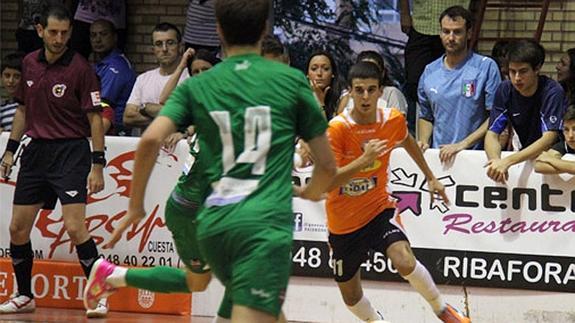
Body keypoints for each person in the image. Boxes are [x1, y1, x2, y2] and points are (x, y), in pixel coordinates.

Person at [84, 1, 337, 323]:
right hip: (262, 225)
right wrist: (314, 191)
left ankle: (114, 276)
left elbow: (149, 139)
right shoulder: (290, 81)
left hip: (213, 222)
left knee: (210, 287)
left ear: (218, 29)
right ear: (264, 30)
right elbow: (327, 166)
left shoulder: (200, 85)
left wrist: (136, 206)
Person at [326, 61, 470, 323]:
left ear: (381, 91)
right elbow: (329, 181)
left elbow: (406, 139)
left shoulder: (391, 119)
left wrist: (431, 177)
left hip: (379, 209)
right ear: (350, 92)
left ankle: (442, 309)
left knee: (404, 259)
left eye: (372, 90)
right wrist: (363, 159)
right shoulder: (338, 128)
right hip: (343, 224)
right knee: (350, 296)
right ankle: (376, 320)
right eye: (359, 90)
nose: (366, 97)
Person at [0, 4, 108, 318]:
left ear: (70, 33)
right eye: (53, 32)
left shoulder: (81, 69)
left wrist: (97, 163)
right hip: (35, 154)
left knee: (75, 228)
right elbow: (22, 110)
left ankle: (99, 295)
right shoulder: (29, 64)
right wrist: (10, 150)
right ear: (40, 31)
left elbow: (95, 118)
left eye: (65, 33)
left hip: (71, 152)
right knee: (17, 229)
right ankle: (23, 295)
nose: (59, 38)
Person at [418, 5, 501, 164]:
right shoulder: (429, 71)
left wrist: (463, 144)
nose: (451, 37)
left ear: (469, 33)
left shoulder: (486, 67)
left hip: (476, 158)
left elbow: (496, 117)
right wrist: (423, 142)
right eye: (446, 31)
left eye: (457, 32)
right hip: (439, 157)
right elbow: (425, 115)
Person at [485, 39, 568, 184]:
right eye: (512, 71)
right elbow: (492, 134)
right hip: (524, 153)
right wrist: (495, 162)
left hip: (554, 155)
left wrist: (508, 161)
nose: (517, 78)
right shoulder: (505, 89)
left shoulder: (553, 91)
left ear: (537, 69)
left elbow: (549, 137)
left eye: (523, 71)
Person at [400, 0, 470, 132]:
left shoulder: (484, 66)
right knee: (413, 82)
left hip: (454, 24)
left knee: (457, 81)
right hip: (421, 24)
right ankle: (417, 135)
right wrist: (404, 13)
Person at [123, 22, 188, 136]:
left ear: (180, 47)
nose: (164, 49)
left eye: (170, 43)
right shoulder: (143, 79)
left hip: (179, 149)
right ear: (153, 50)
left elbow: (187, 117)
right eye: (158, 44)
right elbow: (128, 117)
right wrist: (169, 118)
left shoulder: (190, 77)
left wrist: (147, 109)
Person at [90, 18, 136, 135]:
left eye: (103, 34)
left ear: (114, 37)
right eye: (93, 35)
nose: (98, 39)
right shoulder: (101, 64)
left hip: (116, 131)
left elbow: (102, 103)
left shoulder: (116, 65)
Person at [337, 50, 408, 116]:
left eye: (373, 69)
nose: (368, 73)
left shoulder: (391, 92)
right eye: (364, 69)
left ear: (382, 73)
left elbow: (397, 123)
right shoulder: (348, 94)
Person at [535, 105, 575, 174]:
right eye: (566, 129)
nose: (570, 135)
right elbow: (539, 166)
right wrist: (570, 168)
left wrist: (550, 160)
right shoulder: (564, 145)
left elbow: (546, 158)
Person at [306, 51, 343, 120]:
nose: (319, 73)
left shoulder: (343, 98)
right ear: (307, 74)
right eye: (314, 69)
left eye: (325, 69)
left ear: (333, 73)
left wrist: (320, 104)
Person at [0, 53, 25, 133]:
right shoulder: (2, 107)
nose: (11, 81)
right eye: (7, 76)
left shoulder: (35, 105)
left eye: (17, 76)